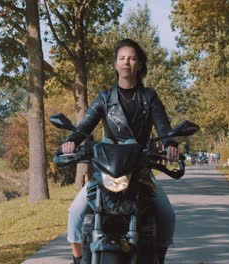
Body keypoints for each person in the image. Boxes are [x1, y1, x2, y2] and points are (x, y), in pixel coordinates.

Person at [61, 38, 178, 264]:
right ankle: (77, 259)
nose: (127, 62)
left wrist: (170, 144)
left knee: (166, 213)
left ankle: (159, 258)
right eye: (122, 58)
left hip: (139, 170)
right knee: (75, 212)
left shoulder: (149, 97)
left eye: (132, 58)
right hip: (106, 169)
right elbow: (85, 125)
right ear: (115, 64)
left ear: (140, 65)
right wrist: (71, 141)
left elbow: (163, 127)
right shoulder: (105, 98)